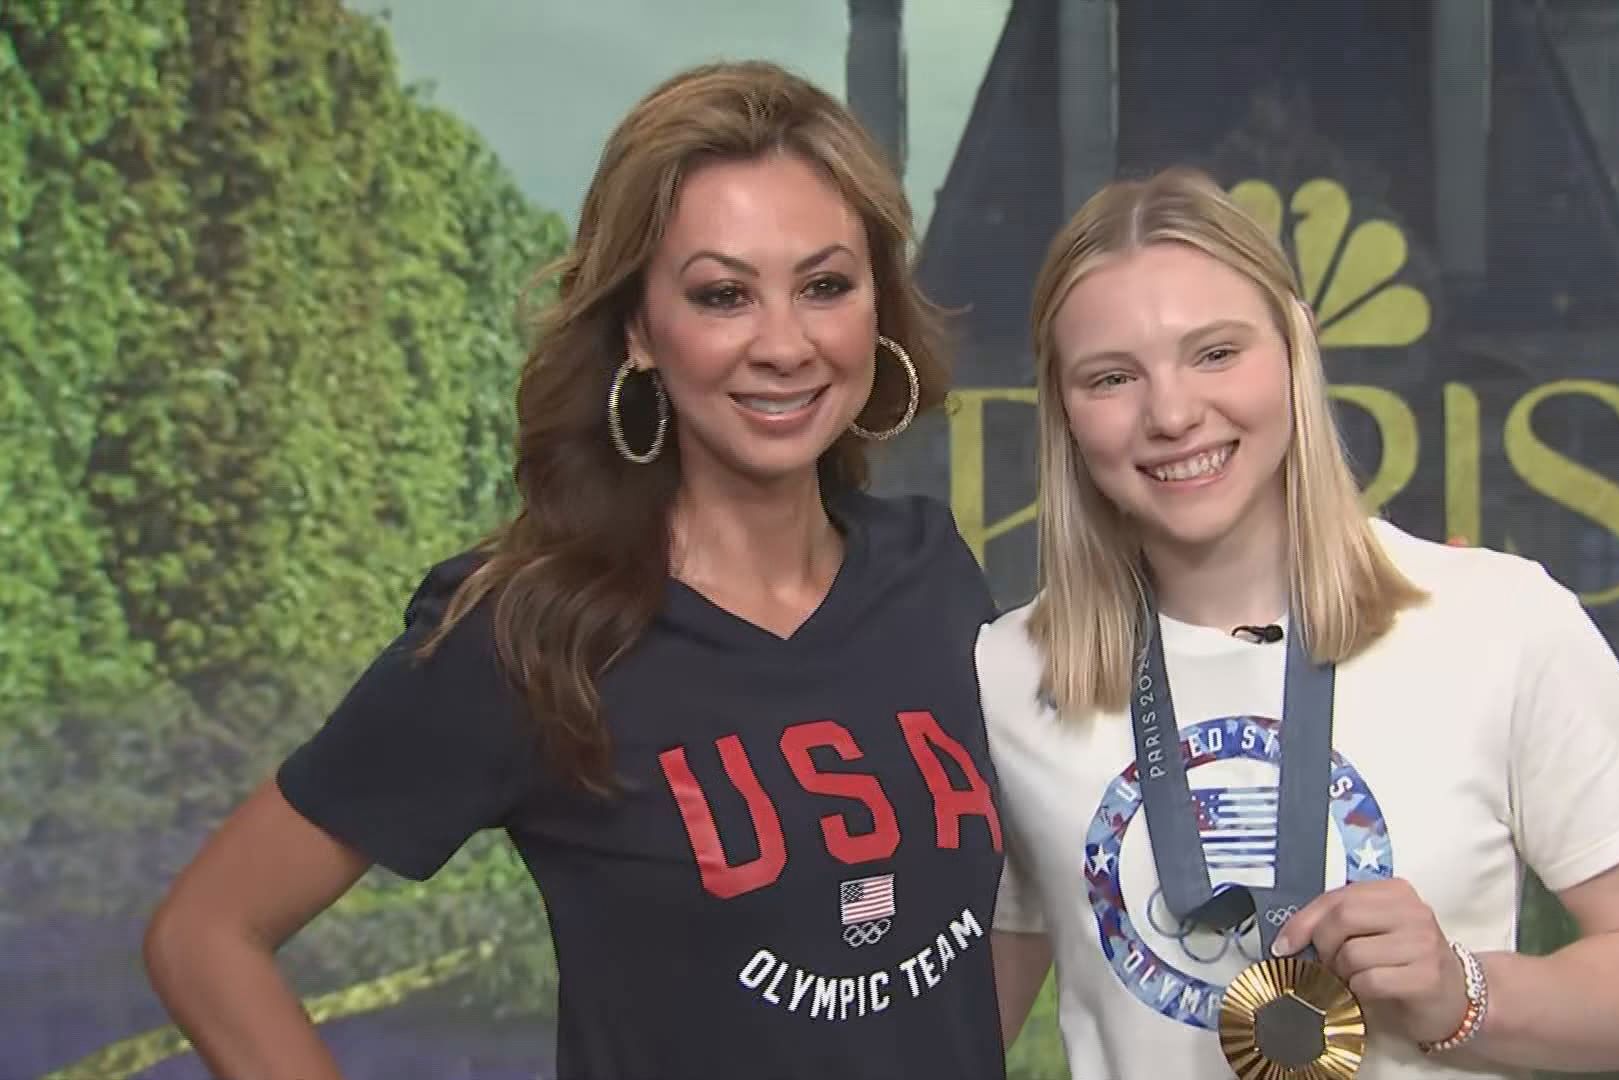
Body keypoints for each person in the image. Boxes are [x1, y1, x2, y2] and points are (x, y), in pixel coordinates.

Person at [143, 61, 1008, 1080]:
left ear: (875, 306)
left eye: (825, 286)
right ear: (640, 330)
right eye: (723, 295)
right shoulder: (532, 631)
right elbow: (205, 935)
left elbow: (950, 963)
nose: (785, 343)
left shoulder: (932, 572)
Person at [981, 168, 1619, 1079]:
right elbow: (954, 1026)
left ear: (1296, 351)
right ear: (1061, 410)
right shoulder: (1006, 676)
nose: (1172, 414)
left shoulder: (1502, 624)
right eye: (1111, 377)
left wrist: (1460, 995)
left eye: (1216, 353)